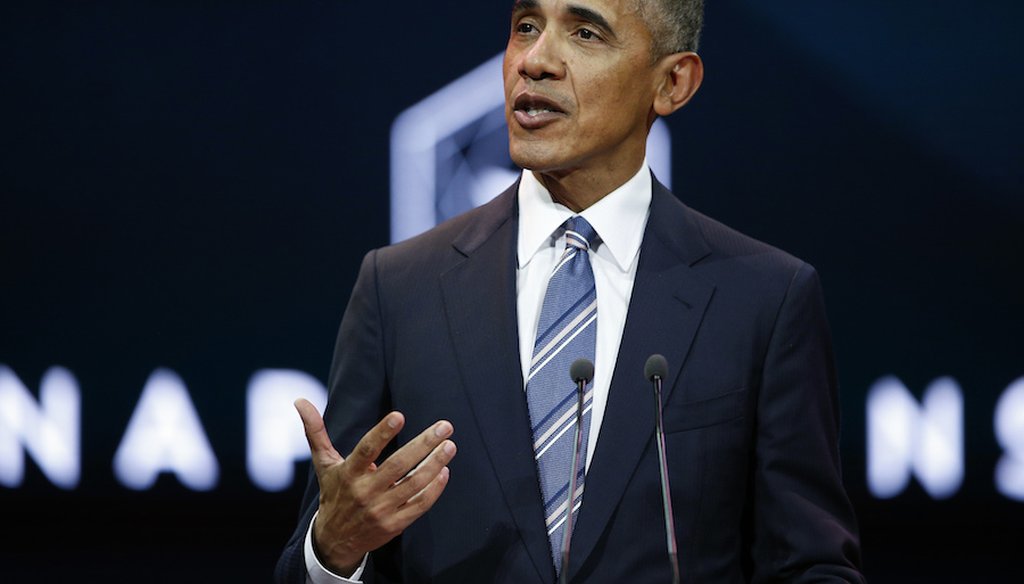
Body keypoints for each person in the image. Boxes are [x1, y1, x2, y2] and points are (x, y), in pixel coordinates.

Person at [277, 0, 865, 582]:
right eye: (525, 27)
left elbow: (812, 567)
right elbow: (309, 565)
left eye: (585, 33)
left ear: (672, 83)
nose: (534, 61)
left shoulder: (764, 299)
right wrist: (334, 547)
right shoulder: (399, 288)